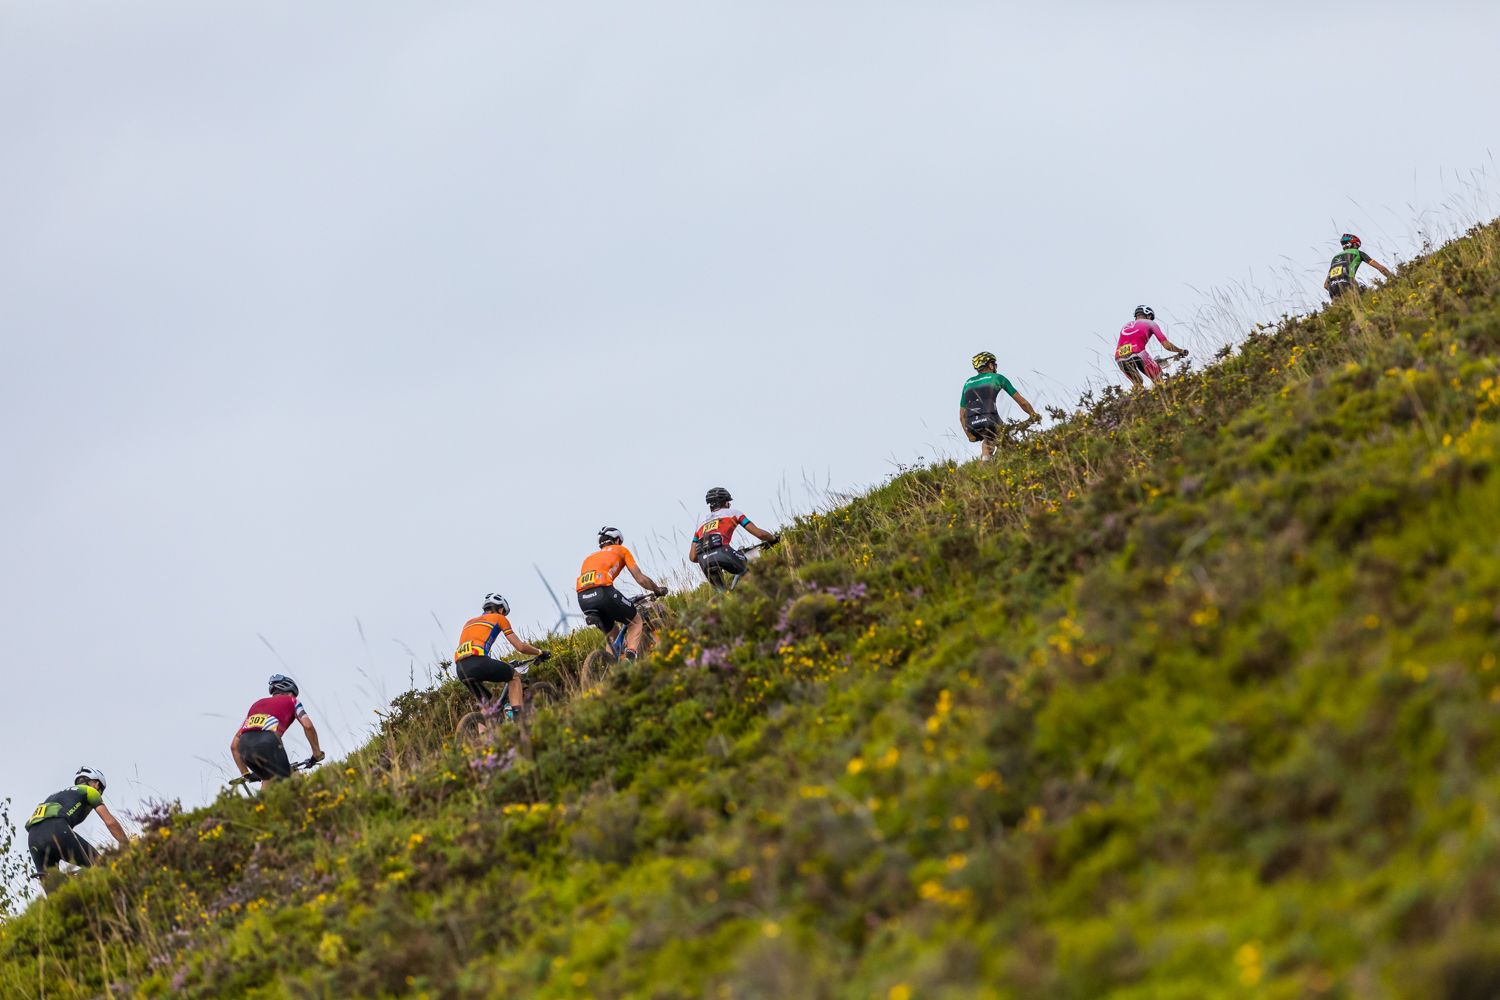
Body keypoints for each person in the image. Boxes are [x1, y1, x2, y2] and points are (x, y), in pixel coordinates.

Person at [576, 527, 668, 662]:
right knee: (635, 621)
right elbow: (640, 579)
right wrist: (657, 589)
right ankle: (631, 657)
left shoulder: (588, 558)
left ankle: (610, 668)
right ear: (617, 540)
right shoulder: (622, 550)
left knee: (612, 635)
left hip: (583, 599)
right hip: (603, 593)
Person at [454, 593, 550, 720]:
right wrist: (539, 652)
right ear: (500, 609)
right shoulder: (499, 618)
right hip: (478, 662)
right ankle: (519, 718)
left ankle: (483, 736)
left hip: (461, 669)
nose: (503, 614)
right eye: (503, 612)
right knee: (514, 676)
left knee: (486, 705)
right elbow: (520, 647)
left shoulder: (468, 623)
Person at [25, 767, 128, 878]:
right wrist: (127, 845)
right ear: (97, 785)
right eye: (101, 791)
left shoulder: (54, 796)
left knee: (53, 887)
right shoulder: (90, 791)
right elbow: (110, 822)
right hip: (56, 829)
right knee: (100, 866)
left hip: (33, 838)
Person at [230, 674, 324, 782]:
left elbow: (234, 746)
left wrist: (246, 774)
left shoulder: (256, 705)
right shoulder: (293, 701)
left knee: (268, 780)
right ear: (291, 693)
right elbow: (308, 726)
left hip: (245, 747)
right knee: (293, 779)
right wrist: (317, 753)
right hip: (268, 743)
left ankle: (262, 799)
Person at [688, 487, 780, 589]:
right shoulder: (734, 513)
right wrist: (773, 539)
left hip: (704, 562)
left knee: (724, 596)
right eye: (728, 501)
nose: (730, 504)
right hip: (724, 552)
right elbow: (760, 535)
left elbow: (693, 557)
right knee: (751, 570)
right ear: (724, 502)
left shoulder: (701, 524)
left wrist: (710, 556)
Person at [960, 352, 1040, 460]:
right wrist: (1033, 414)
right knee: (1009, 444)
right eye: (994, 363)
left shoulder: (967, 383)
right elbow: (1022, 402)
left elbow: (961, 416)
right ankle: (1009, 462)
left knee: (990, 440)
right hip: (990, 419)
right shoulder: (998, 378)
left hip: (971, 424)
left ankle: (986, 463)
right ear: (990, 365)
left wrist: (969, 435)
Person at [1114, 306, 1188, 390]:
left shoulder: (1125, 326)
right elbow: (1166, 345)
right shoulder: (1151, 323)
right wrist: (1181, 350)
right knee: (1159, 379)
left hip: (1119, 357)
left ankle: (1138, 402)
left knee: (1138, 385)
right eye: (1151, 318)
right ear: (1149, 316)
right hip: (1138, 353)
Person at [1324, 233, 1394, 300]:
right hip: (1347, 284)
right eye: (1357, 246)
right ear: (1354, 244)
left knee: (1343, 310)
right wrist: (1393, 279)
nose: (1357, 248)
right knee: (1362, 292)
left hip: (1332, 289)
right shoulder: (1357, 252)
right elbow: (1380, 268)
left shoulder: (1335, 258)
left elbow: (1325, 285)